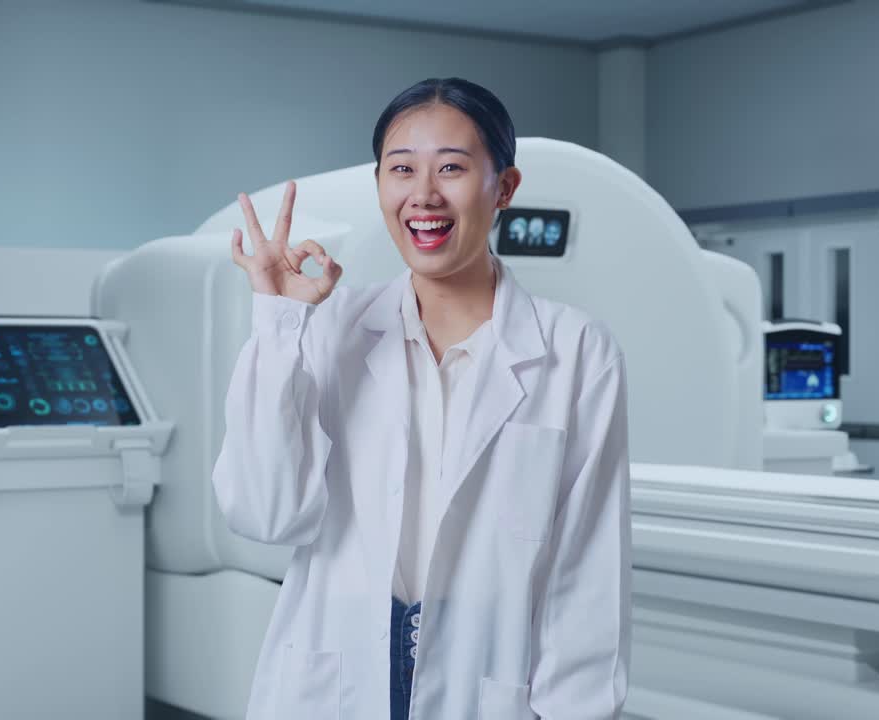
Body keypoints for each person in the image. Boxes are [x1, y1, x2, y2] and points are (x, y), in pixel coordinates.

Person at [212, 77, 630, 719]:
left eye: (453, 169)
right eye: (401, 169)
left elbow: (587, 576)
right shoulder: (330, 326)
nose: (423, 195)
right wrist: (277, 322)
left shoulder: (576, 352)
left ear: (505, 189)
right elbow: (266, 515)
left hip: (484, 683)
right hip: (338, 674)